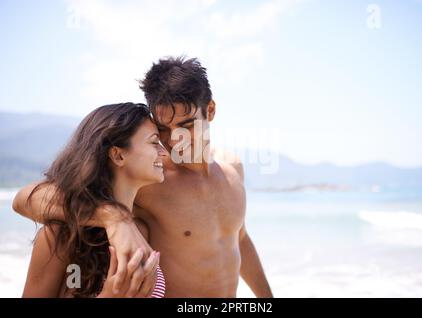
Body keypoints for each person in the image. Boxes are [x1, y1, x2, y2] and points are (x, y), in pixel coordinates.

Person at [14, 57, 273, 297]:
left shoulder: (233, 168)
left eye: (186, 126)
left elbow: (238, 238)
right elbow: (27, 199)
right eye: (162, 129)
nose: (173, 140)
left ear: (211, 110)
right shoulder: (150, 181)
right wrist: (114, 217)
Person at [20, 103, 165, 297]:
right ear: (118, 155)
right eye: (154, 142)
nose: (164, 152)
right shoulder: (61, 237)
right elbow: (23, 198)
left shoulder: (142, 230)